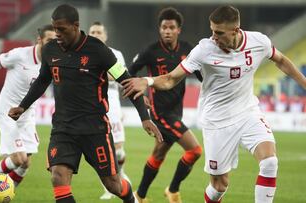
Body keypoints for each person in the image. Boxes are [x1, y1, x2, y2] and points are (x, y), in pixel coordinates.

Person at [122, 5, 306, 203]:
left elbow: (281, 60)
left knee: (270, 162)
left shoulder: (258, 41)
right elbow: (171, 79)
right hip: (217, 122)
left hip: (248, 113)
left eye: (219, 33)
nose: (214, 37)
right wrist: (147, 81)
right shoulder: (204, 49)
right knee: (219, 186)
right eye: (212, 31)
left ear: (236, 30)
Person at [8, 4, 162, 203]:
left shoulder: (99, 51)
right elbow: (42, 81)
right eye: (55, 29)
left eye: (62, 29)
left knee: (113, 183)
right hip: (63, 128)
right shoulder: (50, 49)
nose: (57, 34)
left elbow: (127, 81)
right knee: (58, 177)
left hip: (95, 129)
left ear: (76, 26)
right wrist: (23, 105)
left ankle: (130, 199)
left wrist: (144, 118)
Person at [127, 7, 203, 203]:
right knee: (195, 151)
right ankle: (173, 190)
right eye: (164, 27)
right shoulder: (150, 51)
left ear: (179, 30)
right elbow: (129, 73)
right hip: (160, 113)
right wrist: (141, 93)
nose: (167, 31)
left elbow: (201, 75)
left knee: (159, 153)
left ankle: (140, 196)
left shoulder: (188, 50)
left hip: (177, 111)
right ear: (159, 29)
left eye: (171, 27)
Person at [0, 25, 56, 186]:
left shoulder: (54, 61)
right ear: (39, 40)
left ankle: (6, 193)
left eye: (56, 40)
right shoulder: (20, 55)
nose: (53, 44)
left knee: (25, 163)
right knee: (19, 158)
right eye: (49, 40)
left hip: (27, 115)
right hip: (7, 111)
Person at [88, 21, 131, 200]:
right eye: (93, 32)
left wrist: (95, 73)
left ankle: (119, 175)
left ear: (105, 36)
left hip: (112, 103)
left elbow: (119, 76)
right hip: (91, 105)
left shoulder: (116, 54)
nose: (96, 34)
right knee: (101, 150)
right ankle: (109, 185)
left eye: (99, 32)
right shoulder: (82, 54)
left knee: (119, 151)